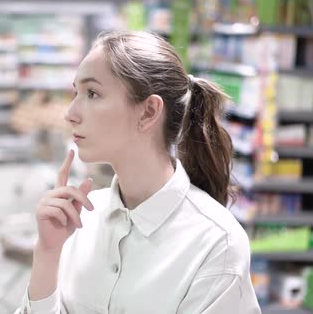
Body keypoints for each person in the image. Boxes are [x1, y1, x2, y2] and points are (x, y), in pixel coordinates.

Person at [16, 31, 261, 314]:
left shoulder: (216, 243)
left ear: (148, 112)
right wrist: (47, 253)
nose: (70, 112)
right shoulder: (81, 220)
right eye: (76, 93)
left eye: (92, 93)